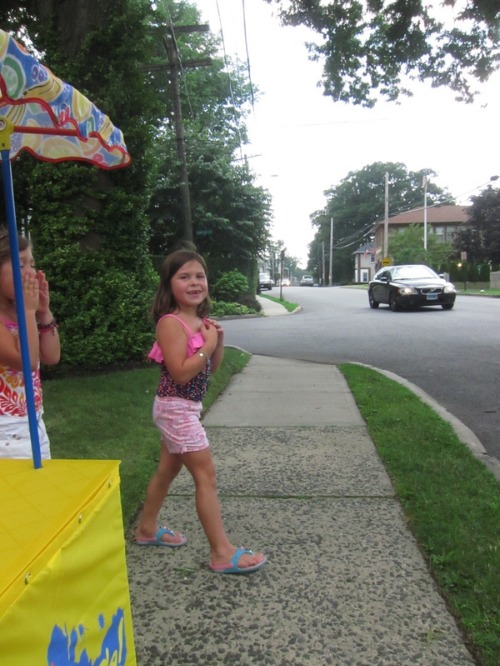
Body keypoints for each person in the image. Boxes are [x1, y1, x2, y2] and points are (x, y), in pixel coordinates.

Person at [135, 245, 267, 574]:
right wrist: (206, 346)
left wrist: (216, 344)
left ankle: (146, 529)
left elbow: (211, 368)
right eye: (184, 277)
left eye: (200, 276)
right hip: (176, 409)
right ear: (169, 286)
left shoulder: (200, 321)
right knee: (206, 476)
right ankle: (221, 552)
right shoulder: (171, 323)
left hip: (184, 408)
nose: (194, 282)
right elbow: (180, 372)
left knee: (167, 471)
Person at [0, 227, 61, 459]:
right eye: (21, 264)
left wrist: (43, 313)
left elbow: (51, 356)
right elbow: (27, 362)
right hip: (6, 432)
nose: (30, 272)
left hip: (33, 421)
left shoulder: (19, 312)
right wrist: (28, 311)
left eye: (32, 263)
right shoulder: (18, 313)